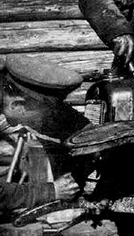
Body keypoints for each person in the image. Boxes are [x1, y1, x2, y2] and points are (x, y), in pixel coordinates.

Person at [0, 55, 83, 215]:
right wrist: (53, 191)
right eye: (38, 119)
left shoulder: (6, 91)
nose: (14, 125)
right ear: (17, 104)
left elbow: (65, 120)